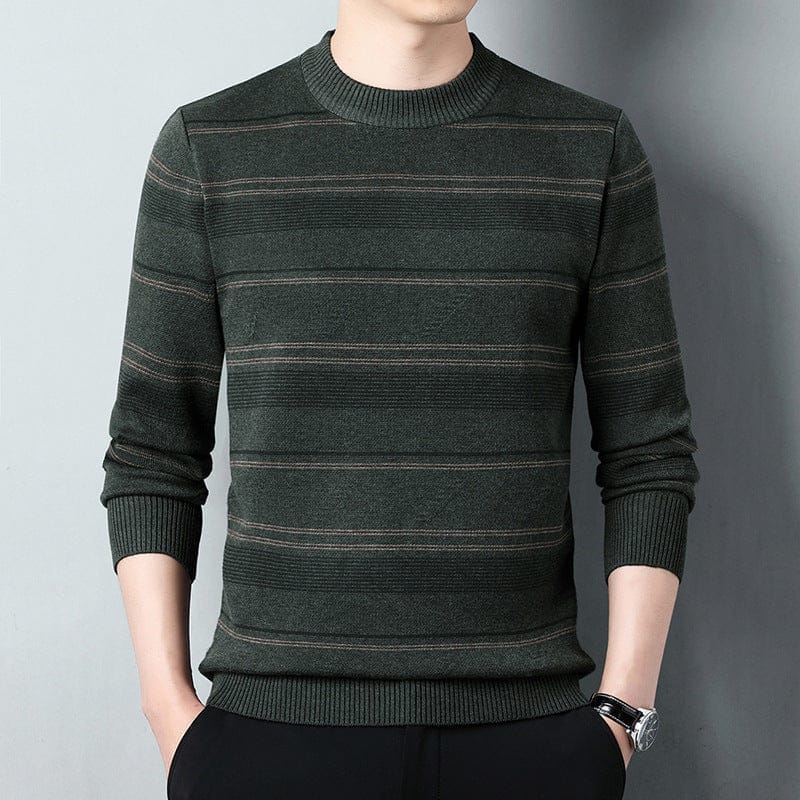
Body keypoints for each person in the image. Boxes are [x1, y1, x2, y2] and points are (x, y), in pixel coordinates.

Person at [99, 2, 700, 798]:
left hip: (530, 743)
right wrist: (169, 711)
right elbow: (153, 448)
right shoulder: (211, 148)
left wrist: (621, 716)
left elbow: (648, 451)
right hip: (269, 741)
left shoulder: (590, 149)